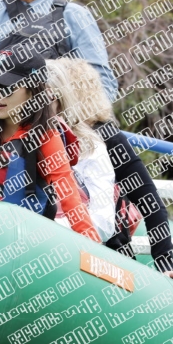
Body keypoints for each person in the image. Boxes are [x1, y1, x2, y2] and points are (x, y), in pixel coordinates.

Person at [0, 49, 101, 243]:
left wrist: (92, 245)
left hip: (17, 241)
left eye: (6, 88)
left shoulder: (46, 136)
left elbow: (69, 197)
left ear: (32, 90)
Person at [51, 58, 173, 278]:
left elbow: (152, 205)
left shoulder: (108, 139)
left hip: (109, 249)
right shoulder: (40, 135)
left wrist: (165, 264)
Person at [44, 59, 116, 243]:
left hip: (69, 245)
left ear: (60, 103)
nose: (38, 108)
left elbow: (103, 223)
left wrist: (45, 231)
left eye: (46, 99)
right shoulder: (8, 139)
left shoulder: (90, 147)